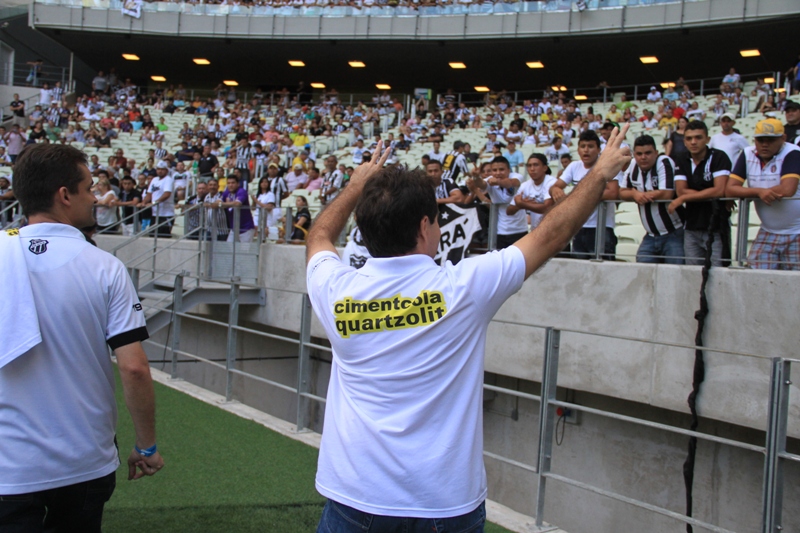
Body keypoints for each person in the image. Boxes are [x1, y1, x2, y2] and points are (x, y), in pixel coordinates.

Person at [305, 130, 631, 533]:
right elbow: (551, 233)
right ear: (424, 226)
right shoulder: (465, 287)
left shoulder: (336, 290)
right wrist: (599, 173)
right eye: (438, 222)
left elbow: (318, 236)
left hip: (355, 498)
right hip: (445, 504)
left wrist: (356, 185)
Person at [0, 144, 163, 532]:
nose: (95, 197)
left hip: (9, 466)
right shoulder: (105, 267)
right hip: (84, 462)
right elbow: (135, 368)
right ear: (65, 195)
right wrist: (147, 447)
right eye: (89, 188)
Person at [726, 119, 800, 270]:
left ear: (783, 138)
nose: (765, 144)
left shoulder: (793, 152)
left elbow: (787, 189)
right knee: (757, 280)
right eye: (760, 140)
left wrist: (751, 193)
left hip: (797, 232)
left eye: (771, 140)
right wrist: (759, 192)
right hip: (768, 230)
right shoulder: (747, 153)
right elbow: (730, 189)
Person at [550, 130, 621, 260]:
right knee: (580, 273)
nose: (586, 150)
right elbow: (556, 186)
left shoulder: (607, 166)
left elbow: (612, 192)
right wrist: (555, 190)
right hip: (578, 227)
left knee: (603, 272)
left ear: (599, 149)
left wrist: (580, 194)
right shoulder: (574, 166)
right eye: (582, 146)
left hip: (601, 228)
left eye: (590, 146)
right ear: (578, 150)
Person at [669, 120, 732, 267]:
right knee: (692, 275)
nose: (693, 142)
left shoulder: (719, 157)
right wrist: (709, 193)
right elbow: (680, 190)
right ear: (684, 141)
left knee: (719, 274)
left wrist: (684, 197)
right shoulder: (682, 159)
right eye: (689, 138)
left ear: (708, 139)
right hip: (691, 227)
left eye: (698, 137)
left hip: (716, 226)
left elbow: (720, 190)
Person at [619, 135, 685, 264]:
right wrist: (634, 194)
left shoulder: (664, 161)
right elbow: (622, 192)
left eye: (648, 153)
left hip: (674, 233)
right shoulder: (633, 165)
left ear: (656, 153)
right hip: (650, 235)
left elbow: (667, 193)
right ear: (634, 155)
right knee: (643, 275)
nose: (643, 157)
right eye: (639, 154)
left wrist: (639, 195)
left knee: (675, 276)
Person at [470, 156, 528, 249]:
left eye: (501, 169)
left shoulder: (517, 176)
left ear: (508, 170)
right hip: (500, 231)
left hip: (520, 230)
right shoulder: (490, 179)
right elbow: (480, 184)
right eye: (494, 170)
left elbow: (512, 183)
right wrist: (476, 176)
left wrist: (497, 181)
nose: (498, 173)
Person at [508, 153, 556, 231]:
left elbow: (547, 208)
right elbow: (509, 211)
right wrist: (519, 205)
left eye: (536, 165)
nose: (532, 169)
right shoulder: (525, 185)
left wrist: (523, 204)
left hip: (555, 231)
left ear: (545, 168)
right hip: (537, 231)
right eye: (529, 166)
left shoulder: (551, 182)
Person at [140, 160, 175, 238]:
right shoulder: (154, 179)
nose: (160, 171)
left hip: (166, 214)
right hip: (155, 213)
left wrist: (154, 202)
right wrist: (144, 202)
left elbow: (167, 194)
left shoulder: (168, 180)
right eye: (158, 169)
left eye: (162, 169)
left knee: (163, 236)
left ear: (166, 170)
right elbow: (149, 193)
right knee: (152, 235)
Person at [220, 174, 255, 242]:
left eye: (233, 183)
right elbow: (216, 203)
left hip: (246, 229)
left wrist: (224, 204)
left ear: (238, 184)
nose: (230, 185)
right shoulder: (226, 193)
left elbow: (237, 204)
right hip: (234, 229)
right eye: (229, 183)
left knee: (244, 251)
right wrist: (226, 204)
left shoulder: (242, 191)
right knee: (228, 250)